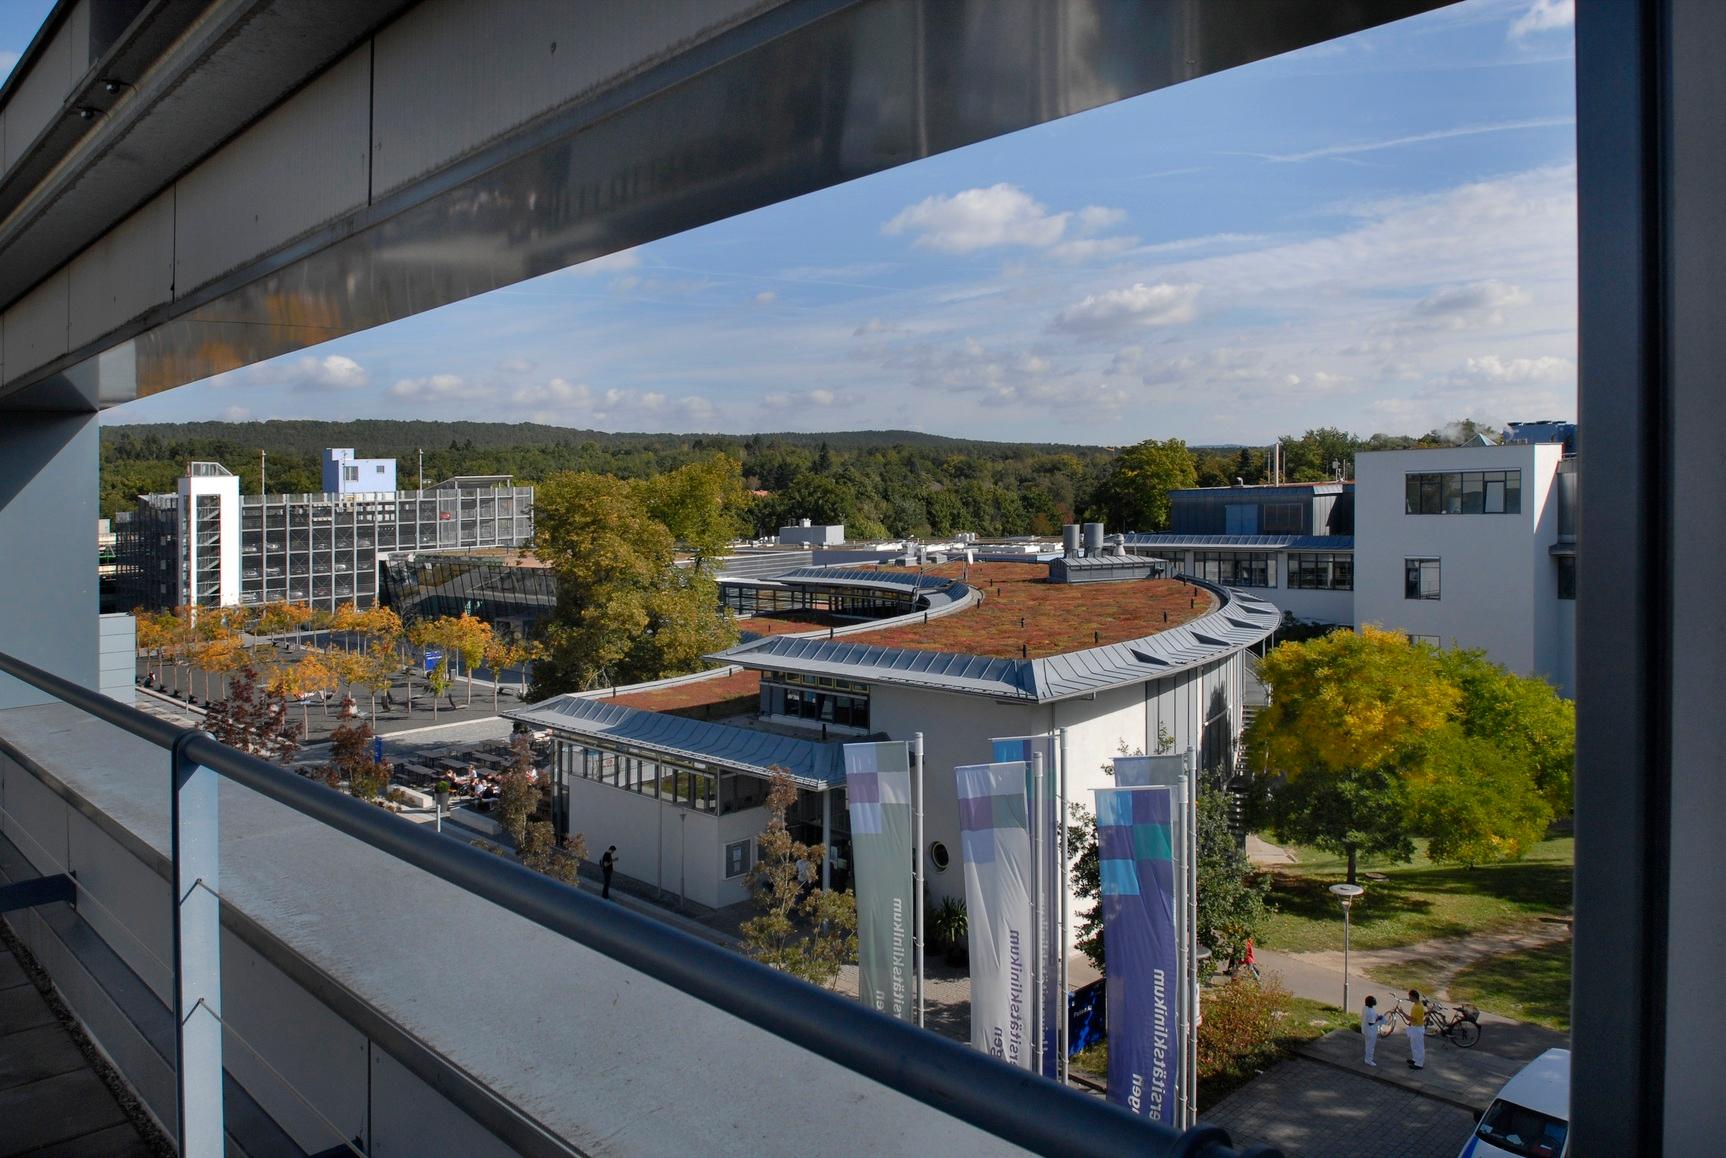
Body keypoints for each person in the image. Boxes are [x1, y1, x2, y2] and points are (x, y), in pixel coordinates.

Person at [1361, 995, 1385, 1066]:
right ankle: (1369, 1060)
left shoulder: (1365, 1008)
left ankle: (1367, 1058)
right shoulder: (1371, 1012)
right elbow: (1371, 1023)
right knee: (1370, 1046)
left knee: (1368, 1045)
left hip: (1365, 1029)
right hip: (1371, 1031)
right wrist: (1379, 1018)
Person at [1406, 989, 1427, 1069]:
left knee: (1418, 1046)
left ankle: (1419, 1063)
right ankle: (1415, 1059)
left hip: (1417, 1028)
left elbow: (1413, 1019)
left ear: (1414, 997)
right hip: (1416, 1027)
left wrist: (1402, 1013)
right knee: (1414, 1045)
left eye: (1410, 997)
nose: (1409, 998)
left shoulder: (1417, 1007)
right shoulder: (1418, 1004)